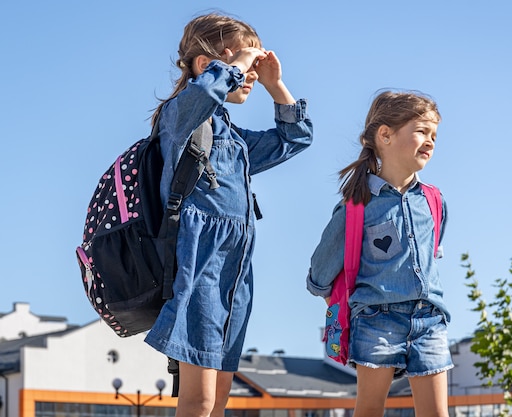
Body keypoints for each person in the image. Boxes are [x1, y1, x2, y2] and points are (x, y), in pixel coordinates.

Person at [144, 12, 313, 417]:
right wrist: (234, 67)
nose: (250, 74)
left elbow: (296, 138)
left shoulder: (234, 139)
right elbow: (202, 97)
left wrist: (275, 84)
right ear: (207, 65)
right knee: (198, 399)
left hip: (235, 275)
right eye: (245, 65)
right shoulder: (181, 118)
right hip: (198, 265)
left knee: (218, 399)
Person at [306, 90, 451, 417]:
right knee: (370, 409)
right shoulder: (356, 208)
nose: (430, 141)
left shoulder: (434, 201)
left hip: (429, 318)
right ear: (385, 135)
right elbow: (320, 272)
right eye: (421, 131)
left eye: (434, 135)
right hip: (376, 320)